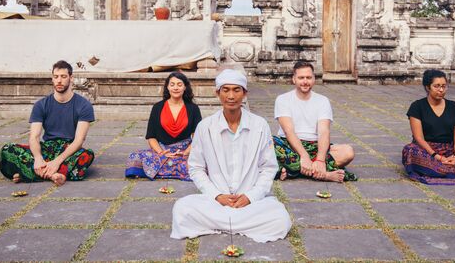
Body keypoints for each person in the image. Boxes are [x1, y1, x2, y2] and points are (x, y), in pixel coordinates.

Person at [171, 69, 291, 243]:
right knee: (182, 209)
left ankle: (221, 224)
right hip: (216, 203)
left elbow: (268, 167)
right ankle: (235, 223)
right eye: (225, 90)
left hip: (250, 203)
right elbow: (196, 168)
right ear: (218, 93)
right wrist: (217, 195)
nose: (231, 96)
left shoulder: (260, 125)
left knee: (280, 218)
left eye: (237, 90)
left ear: (245, 94)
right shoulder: (205, 127)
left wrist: (250, 197)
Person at [0, 60, 95, 185]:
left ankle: (28, 173)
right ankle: (56, 174)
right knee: (7, 149)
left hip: (69, 149)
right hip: (47, 148)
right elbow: (34, 137)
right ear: (52, 79)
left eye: (63, 76)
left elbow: (79, 140)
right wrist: (38, 159)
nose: (59, 80)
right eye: (56, 77)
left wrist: (57, 161)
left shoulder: (84, 105)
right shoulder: (41, 105)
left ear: (71, 78)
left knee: (87, 155)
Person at [273, 61, 357, 182]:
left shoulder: (322, 101)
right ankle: (324, 174)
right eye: (301, 78)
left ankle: (291, 170)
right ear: (294, 79)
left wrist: (320, 159)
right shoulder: (283, 99)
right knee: (266, 143)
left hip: (314, 145)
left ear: (314, 79)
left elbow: (324, 132)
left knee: (348, 152)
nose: (305, 81)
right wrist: (304, 156)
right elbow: (289, 132)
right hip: (288, 145)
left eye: (309, 77)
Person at [126, 72, 203, 181]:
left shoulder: (193, 108)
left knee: (206, 160)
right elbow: (151, 137)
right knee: (134, 156)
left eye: (179, 84)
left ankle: (162, 169)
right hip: (163, 150)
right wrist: (161, 153)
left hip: (184, 151)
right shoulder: (157, 107)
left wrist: (186, 152)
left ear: (185, 87)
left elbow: (197, 136)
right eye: (172, 84)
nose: (175, 88)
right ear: (167, 87)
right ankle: (176, 168)